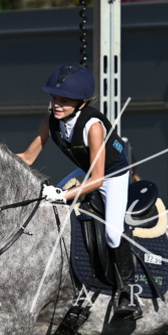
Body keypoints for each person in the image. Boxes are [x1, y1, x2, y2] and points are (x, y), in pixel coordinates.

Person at [18, 63, 141, 320]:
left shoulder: (93, 126)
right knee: (50, 210)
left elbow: (97, 180)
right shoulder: (50, 122)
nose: (56, 104)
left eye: (64, 100)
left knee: (113, 233)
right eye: (54, 98)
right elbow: (27, 158)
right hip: (88, 170)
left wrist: (62, 195)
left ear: (82, 103)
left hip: (112, 175)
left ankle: (128, 293)